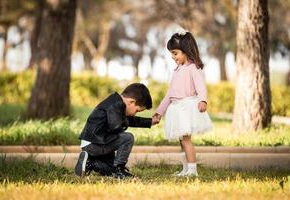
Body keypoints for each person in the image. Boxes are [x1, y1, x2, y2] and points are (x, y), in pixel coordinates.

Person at [153, 31, 212, 176]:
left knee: (186, 140)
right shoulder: (177, 70)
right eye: (172, 54)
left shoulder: (193, 68)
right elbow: (170, 94)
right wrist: (160, 111)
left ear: (185, 50)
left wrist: (203, 100)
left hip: (187, 107)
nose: (173, 57)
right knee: (181, 141)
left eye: (175, 53)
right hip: (176, 108)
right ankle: (186, 169)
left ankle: (192, 170)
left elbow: (201, 87)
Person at [75, 83, 158, 179]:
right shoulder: (115, 105)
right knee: (127, 138)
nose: (135, 114)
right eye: (137, 111)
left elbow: (128, 120)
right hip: (94, 144)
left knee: (111, 170)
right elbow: (116, 127)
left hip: (97, 142)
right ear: (131, 102)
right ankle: (120, 170)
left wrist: (150, 121)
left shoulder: (116, 102)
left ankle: (90, 163)